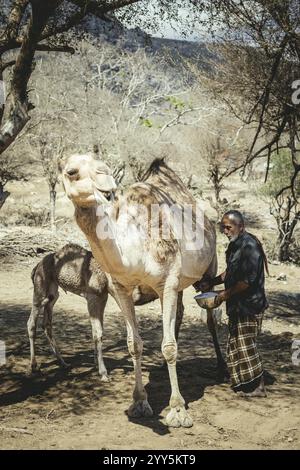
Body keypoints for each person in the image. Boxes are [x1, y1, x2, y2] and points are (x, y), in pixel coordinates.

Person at [197, 210, 269, 397]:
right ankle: (245, 383)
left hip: (250, 305)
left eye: (228, 227)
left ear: (240, 226)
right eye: (223, 227)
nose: (225, 231)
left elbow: (247, 281)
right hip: (237, 305)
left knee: (247, 346)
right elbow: (230, 273)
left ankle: (259, 386)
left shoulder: (250, 247)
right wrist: (211, 283)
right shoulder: (235, 246)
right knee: (237, 345)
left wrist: (223, 295)